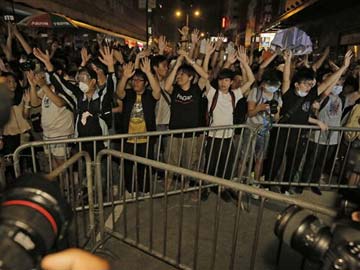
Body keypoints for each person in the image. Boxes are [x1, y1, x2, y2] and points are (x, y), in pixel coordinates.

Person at [263, 50, 353, 193]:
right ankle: (265, 187)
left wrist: (343, 67)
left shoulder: (310, 95)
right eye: (306, 84)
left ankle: (285, 188)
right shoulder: (288, 94)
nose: (309, 87)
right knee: (275, 161)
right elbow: (286, 79)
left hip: (299, 136)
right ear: (297, 84)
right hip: (282, 134)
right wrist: (287, 61)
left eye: (311, 84)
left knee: (293, 164)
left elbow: (327, 83)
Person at [163, 49, 209, 191]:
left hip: (191, 134)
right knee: (171, 162)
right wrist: (177, 65)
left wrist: (189, 59)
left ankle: (187, 186)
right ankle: (168, 185)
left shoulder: (196, 89)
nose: (179, 76)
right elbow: (166, 86)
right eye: (178, 74)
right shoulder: (175, 90)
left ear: (190, 77)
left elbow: (205, 76)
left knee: (190, 162)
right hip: (174, 132)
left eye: (182, 74)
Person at [116, 58, 160, 193]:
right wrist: (125, 76)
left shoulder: (149, 95)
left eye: (139, 80)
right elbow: (119, 92)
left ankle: (145, 190)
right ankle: (130, 190)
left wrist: (148, 73)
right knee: (128, 166)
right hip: (128, 138)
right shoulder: (129, 94)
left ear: (145, 83)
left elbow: (157, 92)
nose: (135, 82)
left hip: (145, 139)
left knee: (144, 166)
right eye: (134, 80)